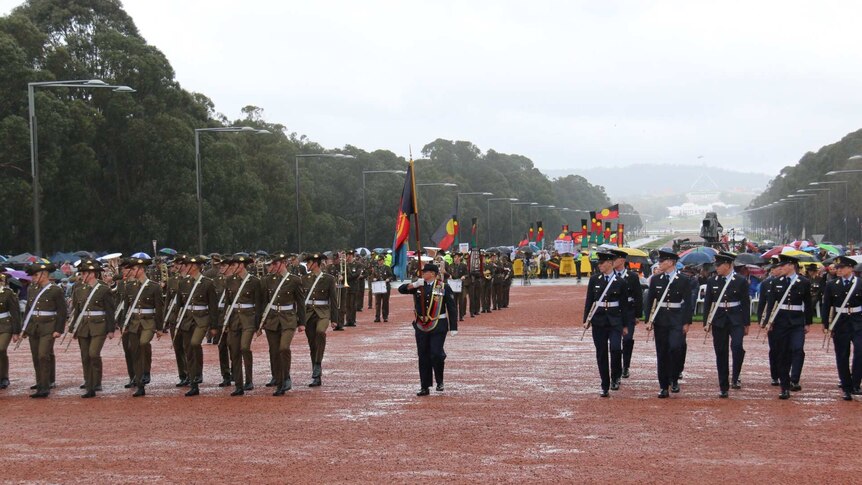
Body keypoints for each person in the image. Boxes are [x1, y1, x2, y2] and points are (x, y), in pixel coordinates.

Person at [398, 263, 458, 396]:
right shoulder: (419, 285)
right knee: (423, 356)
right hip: (421, 326)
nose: (423, 274)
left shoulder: (443, 287)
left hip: (438, 324)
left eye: (425, 272)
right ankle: (424, 386)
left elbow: (452, 307)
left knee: (436, 354)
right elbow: (401, 289)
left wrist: (454, 327)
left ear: (432, 273)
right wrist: (413, 285)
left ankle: (440, 380)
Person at [644, 249, 693, 398]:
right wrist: (648, 319)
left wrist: (686, 322)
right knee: (662, 352)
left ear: (671, 262)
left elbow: (688, 303)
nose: (659, 263)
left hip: (676, 319)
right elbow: (649, 301)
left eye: (662, 261)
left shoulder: (684, 280)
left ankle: (674, 377)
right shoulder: (656, 279)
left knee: (675, 348)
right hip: (661, 320)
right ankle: (663, 386)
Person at [763, 253, 813, 400]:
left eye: (783, 265)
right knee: (782, 353)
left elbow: (808, 304)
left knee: (797, 348)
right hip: (781, 321)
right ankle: (784, 387)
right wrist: (768, 322)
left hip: (797, 321)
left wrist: (808, 322)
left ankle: (794, 378)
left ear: (791, 266)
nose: (781, 268)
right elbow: (771, 304)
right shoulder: (776, 282)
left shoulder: (803, 282)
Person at [702, 251, 751, 398]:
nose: (716, 267)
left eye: (719, 264)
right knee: (721, 352)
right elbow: (707, 303)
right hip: (719, 319)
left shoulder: (740, 281)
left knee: (737, 347)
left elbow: (745, 303)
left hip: (736, 319)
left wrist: (746, 323)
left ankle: (735, 376)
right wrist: (706, 321)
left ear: (728, 265)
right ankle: (723, 386)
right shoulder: (712, 281)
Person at [582, 251, 629, 397]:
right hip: (599, 320)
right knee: (601, 353)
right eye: (599, 263)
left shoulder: (620, 281)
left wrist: (625, 325)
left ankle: (616, 376)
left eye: (602, 263)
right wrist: (586, 319)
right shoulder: (595, 280)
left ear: (610, 263)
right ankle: (605, 384)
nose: (599, 265)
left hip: (615, 320)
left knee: (615, 349)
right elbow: (589, 300)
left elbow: (624, 305)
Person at [260, 251, 306, 396]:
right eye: (272, 264)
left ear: (283, 263)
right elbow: (264, 302)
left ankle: (286, 378)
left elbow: (300, 302)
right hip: (272, 319)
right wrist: (260, 322)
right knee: (274, 351)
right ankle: (280, 382)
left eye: (276, 264)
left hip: (288, 319)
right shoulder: (268, 280)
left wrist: (302, 322)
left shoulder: (294, 280)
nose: (274, 266)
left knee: (283, 348)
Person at [120, 255, 164, 397]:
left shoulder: (154, 287)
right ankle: (140, 384)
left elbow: (159, 308)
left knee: (144, 342)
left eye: (133, 268)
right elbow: (126, 307)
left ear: (141, 269)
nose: (131, 271)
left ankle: (146, 370)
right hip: (133, 322)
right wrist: (124, 325)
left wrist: (159, 328)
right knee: (134, 350)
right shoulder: (130, 287)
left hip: (148, 322)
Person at [819, 255, 862, 401]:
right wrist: (826, 324)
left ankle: (856, 383)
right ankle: (846, 386)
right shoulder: (832, 285)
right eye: (837, 267)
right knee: (842, 355)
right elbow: (826, 306)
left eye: (842, 267)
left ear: (850, 268)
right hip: (840, 323)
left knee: (860, 352)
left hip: (858, 322)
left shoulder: (860, 283)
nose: (838, 270)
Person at [21, 262, 66, 398]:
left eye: (35, 275)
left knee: (43, 355)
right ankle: (40, 383)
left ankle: (45, 387)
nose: (33, 278)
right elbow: (29, 309)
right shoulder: (32, 288)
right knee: (36, 357)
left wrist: (59, 329)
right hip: (34, 326)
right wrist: (25, 327)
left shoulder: (55, 290)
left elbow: (62, 311)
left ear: (44, 275)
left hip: (48, 326)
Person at [176, 255, 219, 397]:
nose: (184, 267)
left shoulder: (207, 283)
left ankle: (198, 373)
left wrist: (214, 326)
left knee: (195, 343)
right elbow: (179, 304)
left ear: (194, 267)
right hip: (187, 319)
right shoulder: (183, 283)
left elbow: (213, 306)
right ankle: (193, 382)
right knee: (188, 349)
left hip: (202, 319)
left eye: (186, 265)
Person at [222, 253, 263, 396]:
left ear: (242, 265)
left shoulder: (254, 281)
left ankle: (249, 380)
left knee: (244, 347)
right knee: (234, 351)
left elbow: (259, 304)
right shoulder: (230, 281)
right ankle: (238, 385)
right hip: (234, 319)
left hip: (249, 319)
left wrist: (258, 325)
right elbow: (228, 302)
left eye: (234, 265)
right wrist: (226, 322)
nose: (232, 267)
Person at [302, 253, 339, 387]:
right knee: (312, 345)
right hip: (308, 314)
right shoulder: (304, 279)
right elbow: (301, 301)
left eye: (308, 262)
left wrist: (334, 319)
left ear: (315, 263)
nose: (306, 265)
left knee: (320, 332)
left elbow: (333, 300)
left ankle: (317, 364)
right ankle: (316, 376)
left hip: (323, 312)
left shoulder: (328, 279)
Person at [608, 249, 643, 381]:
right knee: (615, 344)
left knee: (627, 339)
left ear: (622, 260)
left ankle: (626, 365)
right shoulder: (609, 275)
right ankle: (616, 370)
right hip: (614, 311)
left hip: (628, 311)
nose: (612, 262)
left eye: (614, 259)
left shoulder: (632, 276)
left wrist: (637, 315)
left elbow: (638, 296)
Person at [0, 274, 22, 389]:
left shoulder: (7, 293)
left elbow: (15, 312)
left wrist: (16, 331)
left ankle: (4, 377)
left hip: (5, 325)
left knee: (1, 349)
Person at [370, 255, 394, 322]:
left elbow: (391, 276)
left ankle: (385, 316)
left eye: (380, 260)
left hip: (385, 286)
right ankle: (377, 317)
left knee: (385, 302)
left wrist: (388, 279)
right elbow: (372, 276)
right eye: (378, 261)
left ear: (383, 261)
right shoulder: (375, 268)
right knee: (377, 302)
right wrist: (373, 278)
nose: (379, 262)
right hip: (378, 286)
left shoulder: (387, 268)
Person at [448, 252, 469, 321]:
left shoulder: (463, 265)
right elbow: (448, 273)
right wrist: (449, 276)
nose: (455, 259)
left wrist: (464, 276)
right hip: (453, 284)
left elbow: (467, 274)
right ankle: (455, 316)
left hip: (461, 285)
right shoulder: (451, 266)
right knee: (454, 302)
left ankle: (461, 315)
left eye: (457, 257)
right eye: (454, 257)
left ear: (460, 258)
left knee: (461, 301)